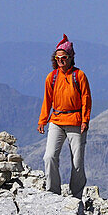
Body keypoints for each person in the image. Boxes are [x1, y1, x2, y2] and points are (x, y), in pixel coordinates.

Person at [38, 35, 92, 195]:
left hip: (76, 122)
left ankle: (76, 196)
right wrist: (42, 120)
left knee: (77, 162)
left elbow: (86, 99)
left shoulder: (79, 76)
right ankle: (53, 193)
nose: (61, 60)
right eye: (58, 57)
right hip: (56, 121)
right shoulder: (52, 77)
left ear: (71, 58)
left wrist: (85, 120)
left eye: (64, 57)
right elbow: (47, 100)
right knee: (49, 157)